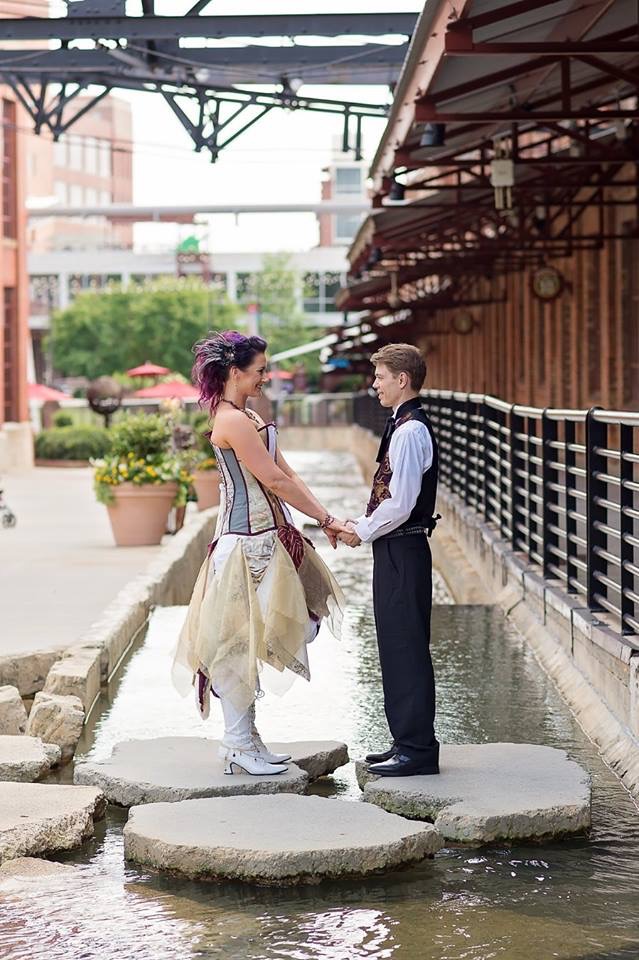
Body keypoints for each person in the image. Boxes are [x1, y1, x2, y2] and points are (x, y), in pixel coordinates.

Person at [172, 331, 347, 776]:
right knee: (236, 640)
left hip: (270, 537)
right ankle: (236, 743)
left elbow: (287, 473)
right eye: (260, 370)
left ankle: (247, 738)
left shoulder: (246, 414)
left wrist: (322, 517)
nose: (265, 377)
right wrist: (325, 521)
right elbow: (273, 480)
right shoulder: (230, 420)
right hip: (243, 544)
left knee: (293, 625)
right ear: (235, 372)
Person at [339, 343, 441, 777]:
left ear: (402, 380)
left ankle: (418, 750)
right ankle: (406, 741)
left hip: (404, 545)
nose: (374, 383)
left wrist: (359, 530)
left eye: (380, 376)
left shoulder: (411, 431)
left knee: (407, 646)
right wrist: (361, 527)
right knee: (396, 645)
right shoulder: (402, 426)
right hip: (396, 546)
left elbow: (401, 502)